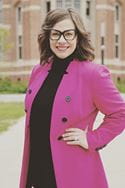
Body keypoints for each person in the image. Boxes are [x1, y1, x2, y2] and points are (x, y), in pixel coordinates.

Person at [19, 8, 125, 188]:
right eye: (56, 34)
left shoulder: (93, 74)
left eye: (68, 34)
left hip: (73, 172)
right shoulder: (39, 71)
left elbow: (120, 113)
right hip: (37, 170)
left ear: (78, 37)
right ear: (48, 37)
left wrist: (92, 139)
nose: (61, 40)